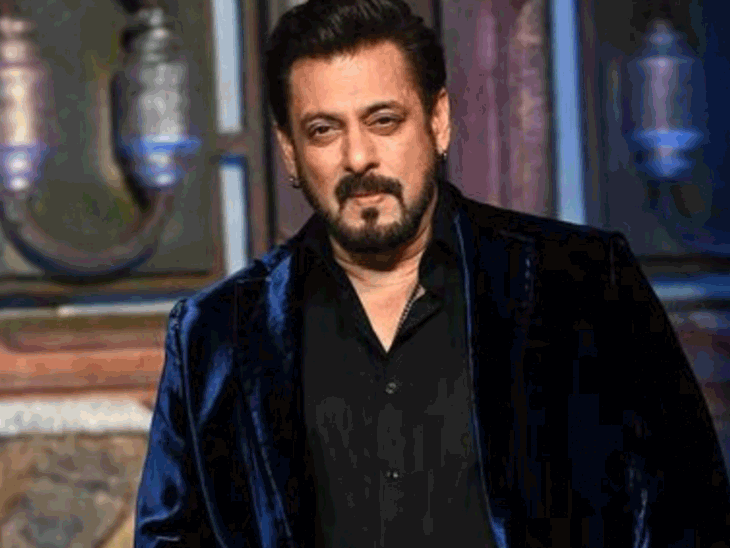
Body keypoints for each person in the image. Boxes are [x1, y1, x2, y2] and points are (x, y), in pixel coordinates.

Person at [134, 1, 730, 546]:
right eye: (323, 130)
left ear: (438, 121)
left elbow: (689, 516)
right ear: (290, 151)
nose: (358, 157)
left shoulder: (583, 283)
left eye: (383, 120)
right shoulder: (217, 336)